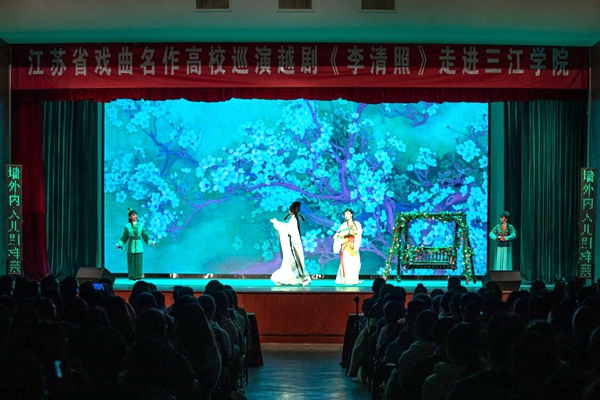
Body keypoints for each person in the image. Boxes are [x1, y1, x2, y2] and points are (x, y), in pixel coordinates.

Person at [270, 201, 311, 286]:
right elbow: (288, 228)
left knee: (292, 262)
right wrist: (277, 223)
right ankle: (298, 278)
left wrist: (276, 223)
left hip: (292, 246)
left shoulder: (293, 220)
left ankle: (298, 278)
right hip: (294, 245)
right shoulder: (294, 220)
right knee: (292, 262)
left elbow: (288, 230)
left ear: (290, 210)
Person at [116, 209, 155, 281]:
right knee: (131, 262)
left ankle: (138, 276)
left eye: (136, 215)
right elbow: (124, 237)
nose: (135, 216)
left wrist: (150, 242)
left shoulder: (141, 225)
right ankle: (131, 276)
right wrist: (120, 244)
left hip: (139, 245)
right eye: (133, 215)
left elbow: (145, 235)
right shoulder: (127, 226)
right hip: (130, 246)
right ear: (130, 217)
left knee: (138, 262)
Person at [333, 208, 363, 285]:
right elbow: (337, 234)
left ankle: (354, 279)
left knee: (356, 263)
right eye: (345, 214)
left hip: (354, 245)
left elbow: (359, 233)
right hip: (346, 246)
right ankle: (347, 280)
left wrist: (354, 232)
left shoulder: (357, 224)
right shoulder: (343, 225)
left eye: (347, 213)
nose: (346, 215)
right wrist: (339, 235)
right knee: (347, 263)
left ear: (351, 214)